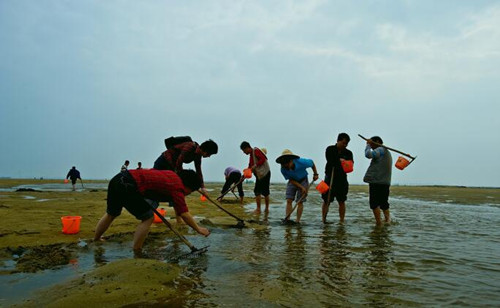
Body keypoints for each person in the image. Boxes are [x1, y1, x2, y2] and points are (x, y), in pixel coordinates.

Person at [93, 169, 210, 252]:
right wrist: (198, 229)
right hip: (128, 185)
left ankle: (96, 239)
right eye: (190, 191)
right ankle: (137, 249)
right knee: (148, 218)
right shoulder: (177, 186)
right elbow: (184, 213)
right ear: (187, 185)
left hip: (117, 179)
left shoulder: (171, 175)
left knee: (111, 214)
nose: (188, 194)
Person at [153, 139, 218, 193]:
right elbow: (179, 162)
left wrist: (202, 187)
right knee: (154, 181)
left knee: (174, 189)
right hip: (163, 161)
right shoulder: (189, 146)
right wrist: (183, 177)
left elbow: (199, 171)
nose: (209, 156)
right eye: (210, 154)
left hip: (172, 167)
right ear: (205, 151)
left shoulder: (198, 156)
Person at [276, 149, 319, 223]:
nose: (286, 167)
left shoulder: (301, 162)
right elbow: (291, 180)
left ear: (291, 161)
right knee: (289, 200)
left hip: (303, 180)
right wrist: (301, 187)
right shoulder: (283, 169)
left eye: (287, 165)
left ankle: (297, 221)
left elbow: (312, 163)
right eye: (283, 165)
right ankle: (287, 219)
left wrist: (315, 174)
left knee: (300, 202)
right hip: (292, 181)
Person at [321, 133, 354, 224]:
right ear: (338, 141)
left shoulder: (348, 153)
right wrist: (341, 161)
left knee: (342, 200)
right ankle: (324, 219)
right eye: (343, 143)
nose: (345, 145)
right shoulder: (330, 149)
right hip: (329, 177)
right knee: (326, 200)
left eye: (346, 143)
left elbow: (350, 165)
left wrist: (342, 162)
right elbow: (331, 161)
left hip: (342, 179)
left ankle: (341, 221)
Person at [363, 136, 392, 225]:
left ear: (377, 142)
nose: (371, 146)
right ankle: (387, 221)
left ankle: (378, 223)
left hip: (377, 181)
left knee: (374, 204)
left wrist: (367, 145)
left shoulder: (380, 149)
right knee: (384, 204)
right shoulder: (386, 152)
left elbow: (368, 155)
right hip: (385, 182)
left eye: (372, 143)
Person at [240, 141, 271, 214]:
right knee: (257, 191)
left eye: (244, 151)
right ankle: (259, 209)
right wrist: (243, 177)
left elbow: (263, 159)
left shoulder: (256, 151)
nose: (244, 153)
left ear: (247, 148)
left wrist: (256, 165)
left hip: (265, 173)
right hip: (259, 175)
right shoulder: (251, 156)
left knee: (265, 192)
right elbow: (249, 167)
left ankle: (265, 209)